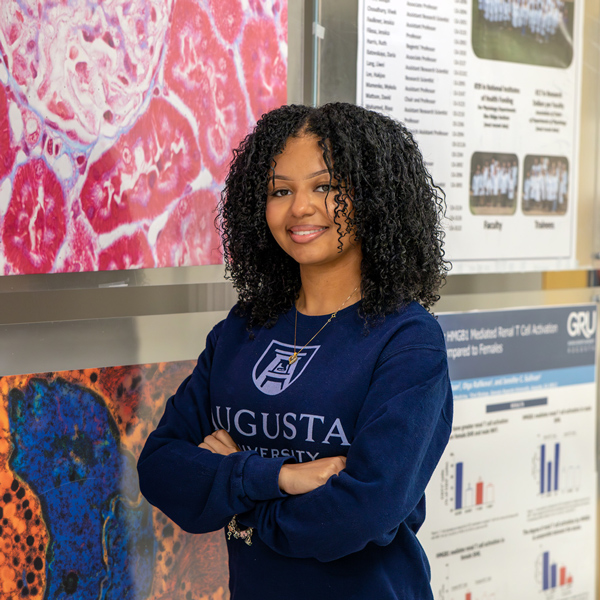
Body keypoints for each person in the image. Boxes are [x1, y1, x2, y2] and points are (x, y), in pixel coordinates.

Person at [137, 102, 453, 600]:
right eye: (280, 190)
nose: (299, 207)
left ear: (372, 197)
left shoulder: (407, 340)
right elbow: (159, 468)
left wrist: (236, 501)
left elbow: (362, 514)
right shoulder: (243, 330)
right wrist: (282, 476)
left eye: (325, 187)